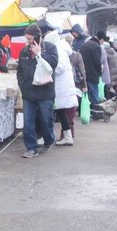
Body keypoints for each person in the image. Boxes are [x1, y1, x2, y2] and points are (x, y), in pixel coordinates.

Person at [17, 23, 58, 157]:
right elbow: (20, 70)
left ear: (37, 37)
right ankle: (31, 148)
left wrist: (39, 54)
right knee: (28, 122)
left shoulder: (50, 48)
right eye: (27, 39)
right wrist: (22, 84)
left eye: (30, 39)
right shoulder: (24, 51)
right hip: (28, 92)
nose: (28, 42)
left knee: (46, 120)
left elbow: (53, 64)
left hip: (45, 92)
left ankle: (48, 140)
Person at [46, 30, 78, 146]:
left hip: (61, 88)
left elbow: (59, 68)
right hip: (63, 87)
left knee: (59, 112)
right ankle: (67, 136)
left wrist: (48, 68)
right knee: (61, 112)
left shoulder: (58, 51)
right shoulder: (62, 50)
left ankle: (63, 137)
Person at [79, 30, 104, 106]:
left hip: (84, 74)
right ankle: (95, 112)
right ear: (101, 39)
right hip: (93, 74)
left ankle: (85, 111)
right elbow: (97, 62)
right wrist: (99, 72)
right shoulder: (96, 46)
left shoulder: (84, 45)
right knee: (94, 94)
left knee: (85, 94)